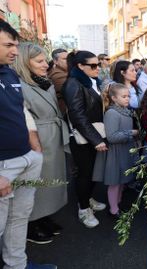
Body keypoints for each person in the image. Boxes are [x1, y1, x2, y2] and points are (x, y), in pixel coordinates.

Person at [0, 19, 57, 269]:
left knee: (19, 218)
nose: (15, 50)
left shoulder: (9, 73)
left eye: (16, 45)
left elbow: (20, 112)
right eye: (8, 45)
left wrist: (34, 148)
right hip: (3, 167)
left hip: (26, 158)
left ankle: (17, 266)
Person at [12, 42, 69, 244]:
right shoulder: (19, 86)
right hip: (37, 138)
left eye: (46, 60)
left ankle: (43, 217)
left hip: (52, 135)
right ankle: (30, 224)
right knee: (35, 183)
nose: (46, 64)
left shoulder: (44, 82)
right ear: (24, 62)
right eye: (40, 61)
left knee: (50, 183)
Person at [63, 50, 107, 228]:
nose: (98, 68)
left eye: (99, 64)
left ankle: (87, 199)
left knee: (92, 173)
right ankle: (83, 209)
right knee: (85, 174)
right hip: (83, 138)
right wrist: (96, 140)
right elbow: (78, 116)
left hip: (94, 133)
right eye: (94, 65)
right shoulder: (73, 84)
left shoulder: (92, 81)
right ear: (80, 66)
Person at [93, 83, 138, 216]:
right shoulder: (112, 113)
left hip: (124, 150)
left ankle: (117, 204)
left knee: (121, 181)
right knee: (115, 182)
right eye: (123, 96)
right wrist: (131, 133)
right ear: (113, 98)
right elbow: (112, 137)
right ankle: (114, 210)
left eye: (128, 96)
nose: (127, 99)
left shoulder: (125, 111)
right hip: (115, 152)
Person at [47, 48, 68, 115]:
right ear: (55, 61)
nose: (68, 61)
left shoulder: (65, 71)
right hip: (65, 113)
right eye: (65, 59)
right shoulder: (57, 75)